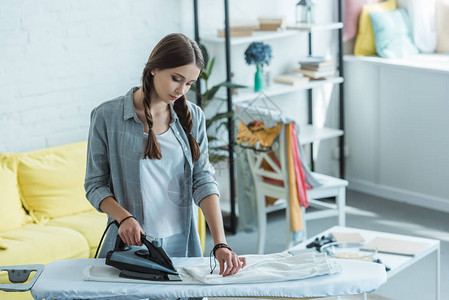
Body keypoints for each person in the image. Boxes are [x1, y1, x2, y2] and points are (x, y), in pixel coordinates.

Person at [84, 33, 246, 276]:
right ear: (154, 68)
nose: (181, 90)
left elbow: (202, 179)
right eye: (176, 79)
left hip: (182, 242)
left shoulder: (194, 116)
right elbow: (95, 185)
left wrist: (220, 243)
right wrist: (124, 218)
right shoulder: (107, 116)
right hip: (132, 244)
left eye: (189, 83)